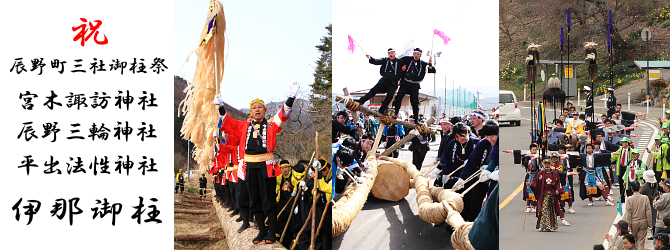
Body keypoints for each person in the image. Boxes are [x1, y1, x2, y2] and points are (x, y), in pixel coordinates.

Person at [215, 82, 298, 244]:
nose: (257, 109)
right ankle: (261, 231)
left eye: (260, 107)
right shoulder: (243, 126)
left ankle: (272, 233)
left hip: (267, 168)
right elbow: (229, 123)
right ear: (250, 112)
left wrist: (291, 98)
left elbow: (283, 114)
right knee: (255, 200)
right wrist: (221, 107)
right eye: (254, 107)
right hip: (249, 168)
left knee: (269, 200)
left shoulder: (272, 125)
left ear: (265, 111)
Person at [392, 48, 435, 123]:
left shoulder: (423, 64)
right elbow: (398, 61)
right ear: (413, 54)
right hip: (405, 83)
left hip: (415, 85)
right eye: (415, 54)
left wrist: (430, 63)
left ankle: (416, 119)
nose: (416, 55)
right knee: (398, 97)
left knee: (415, 103)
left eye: (418, 54)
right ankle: (396, 113)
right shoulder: (407, 59)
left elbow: (431, 70)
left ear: (420, 55)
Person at [357, 48, 405, 115]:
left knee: (390, 95)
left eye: (392, 53)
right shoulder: (385, 60)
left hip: (393, 83)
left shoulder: (400, 62)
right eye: (389, 53)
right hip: (384, 81)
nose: (390, 54)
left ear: (395, 53)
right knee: (373, 90)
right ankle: (361, 101)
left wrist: (401, 81)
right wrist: (370, 58)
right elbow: (377, 61)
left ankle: (382, 109)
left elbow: (404, 72)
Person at [531, 158, 567, 231]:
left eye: (548, 164)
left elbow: (558, 183)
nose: (547, 166)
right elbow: (535, 183)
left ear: (550, 165)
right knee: (543, 209)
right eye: (545, 164)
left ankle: (549, 226)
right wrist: (530, 185)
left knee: (550, 210)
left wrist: (557, 190)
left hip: (552, 194)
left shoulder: (555, 173)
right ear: (543, 165)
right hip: (543, 194)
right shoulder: (540, 173)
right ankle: (542, 226)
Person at [439, 122, 475, 189]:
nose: (460, 139)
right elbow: (446, 159)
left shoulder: (475, 143)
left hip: (469, 179)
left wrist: (471, 162)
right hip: (453, 177)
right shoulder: (452, 143)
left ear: (467, 132)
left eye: (462, 136)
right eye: (457, 137)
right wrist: (445, 173)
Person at [625, 181, 652, 250]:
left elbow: (628, 213)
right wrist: (650, 222)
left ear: (631, 189)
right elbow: (648, 211)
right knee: (641, 241)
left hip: (634, 222)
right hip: (643, 221)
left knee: (634, 240)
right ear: (639, 188)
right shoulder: (645, 198)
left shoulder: (629, 199)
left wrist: (629, 224)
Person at [640, 170, 661, 237]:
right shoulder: (655, 185)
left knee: (649, 218)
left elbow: (640, 192)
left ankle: (653, 233)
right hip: (654, 202)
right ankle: (654, 233)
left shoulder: (646, 186)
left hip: (647, 203)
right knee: (654, 218)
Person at [613, 137, 634, 203]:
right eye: (622, 142)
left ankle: (629, 197)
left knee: (628, 183)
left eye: (623, 142)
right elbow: (614, 156)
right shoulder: (620, 150)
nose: (622, 143)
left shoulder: (631, 150)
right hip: (621, 168)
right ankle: (622, 197)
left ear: (627, 143)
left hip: (627, 168)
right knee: (621, 183)